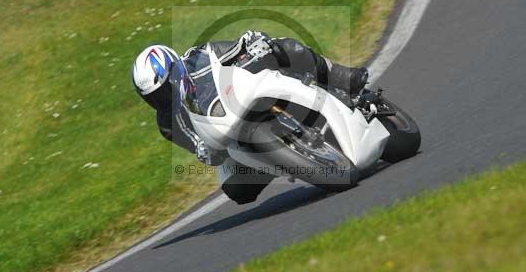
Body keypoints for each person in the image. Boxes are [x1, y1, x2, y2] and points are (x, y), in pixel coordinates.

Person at [131, 30, 368, 204]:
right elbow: (198, 147)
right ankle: (288, 162)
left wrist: (252, 44)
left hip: (246, 95)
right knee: (237, 191)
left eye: (164, 90)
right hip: (228, 139)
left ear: (175, 71)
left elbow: (236, 49)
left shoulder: (200, 57)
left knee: (286, 48)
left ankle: (339, 76)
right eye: (154, 98)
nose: (162, 99)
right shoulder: (167, 123)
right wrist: (204, 151)